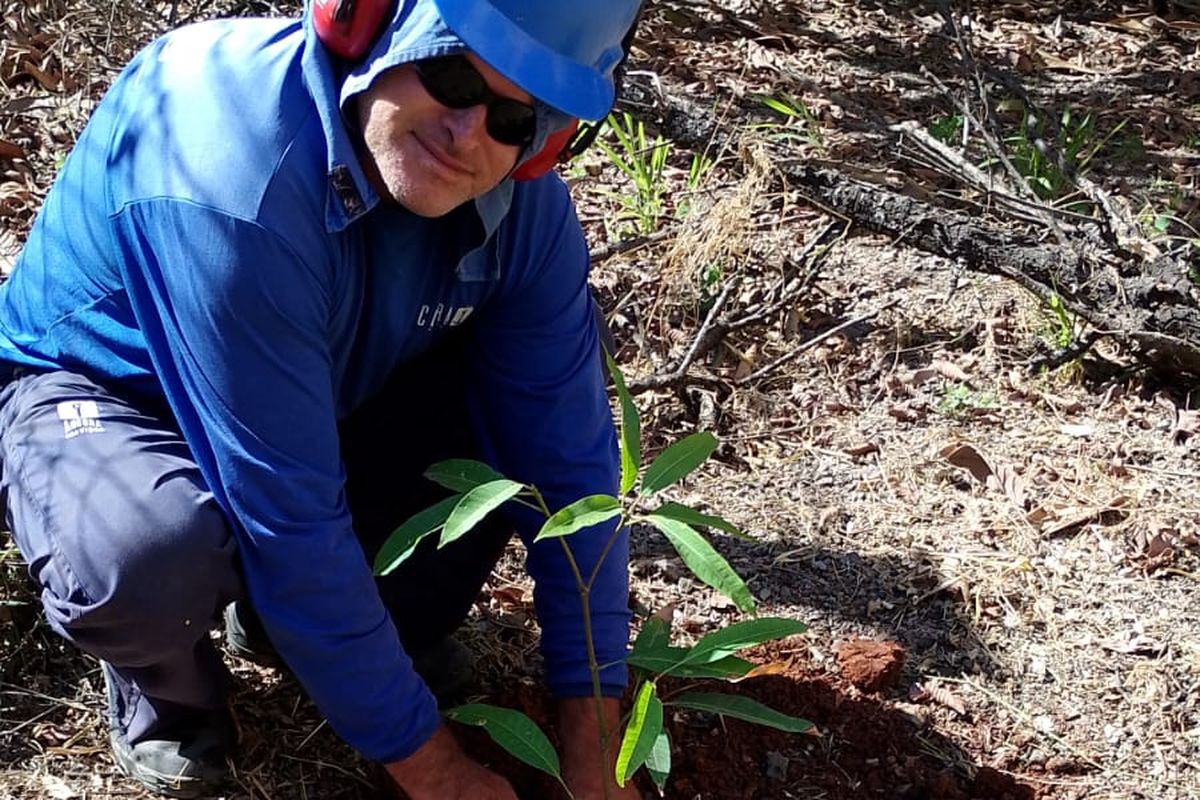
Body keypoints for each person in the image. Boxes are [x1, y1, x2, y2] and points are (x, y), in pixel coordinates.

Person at [0, 0, 644, 797]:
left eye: (515, 119)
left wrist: (596, 744)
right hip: (113, 398)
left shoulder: (523, 212)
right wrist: (431, 766)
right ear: (365, 22)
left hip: (318, 391)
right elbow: (289, 517)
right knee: (147, 556)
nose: (469, 132)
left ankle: (292, 629)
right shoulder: (228, 164)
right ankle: (167, 689)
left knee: (505, 430)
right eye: (449, 75)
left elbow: (569, 466)